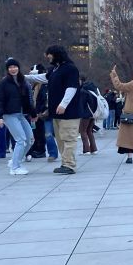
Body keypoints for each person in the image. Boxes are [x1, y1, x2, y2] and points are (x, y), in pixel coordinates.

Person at [41, 46, 82, 175]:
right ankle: (65, 162)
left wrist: (63, 104)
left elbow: (72, 87)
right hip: (56, 113)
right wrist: (23, 77)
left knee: (69, 138)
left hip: (69, 112)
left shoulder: (70, 69)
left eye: (49, 55)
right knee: (60, 139)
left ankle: (69, 165)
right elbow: (44, 77)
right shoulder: (55, 69)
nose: (48, 57)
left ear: (56, 54)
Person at [0, 58, 35, 176]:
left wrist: (33, 114)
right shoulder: (3, 83)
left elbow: (28, 99)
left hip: (21, 114)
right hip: (9, 115)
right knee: (20, 139)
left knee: (30, 139)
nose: (13, 69)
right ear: (7, 69)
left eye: (15, 67)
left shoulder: (23, 81)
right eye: (10, 67)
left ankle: (14, 161)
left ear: (18, 67)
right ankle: (15, 167)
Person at [78, 76, 100, 155]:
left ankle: (86, 150)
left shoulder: (83, 92)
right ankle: (94, 149)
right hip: (92, 114)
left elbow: (81, 104)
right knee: (89, 131)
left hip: (85, 115)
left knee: (83, 131)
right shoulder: (92, 92)